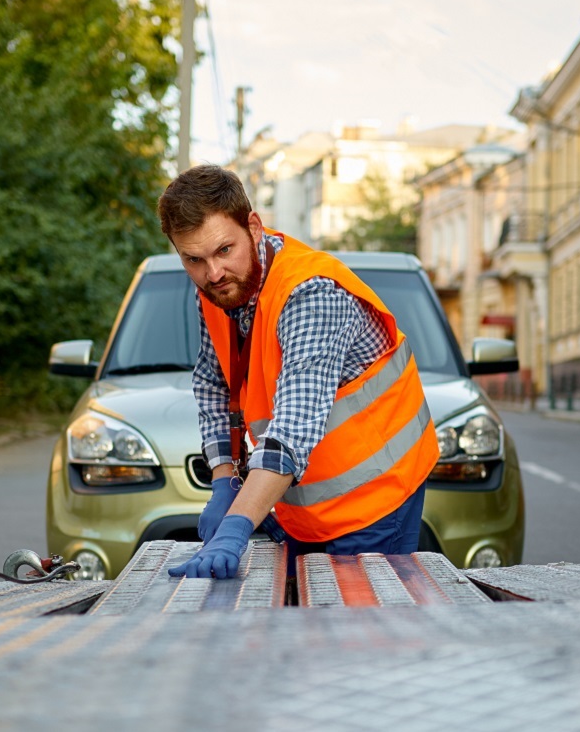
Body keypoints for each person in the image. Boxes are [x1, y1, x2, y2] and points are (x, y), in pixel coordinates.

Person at [159, 165, 438, 579]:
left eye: (224, 250)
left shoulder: (310, 293)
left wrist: (237, 525)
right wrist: (224, 481)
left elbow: (293, 426)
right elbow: (215, 385)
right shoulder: (218, 288)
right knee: (302, 633)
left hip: (376, 501)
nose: (212, 273)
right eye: (193, 259)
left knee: (361, 636)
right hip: (300, 505)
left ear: (253, 227)